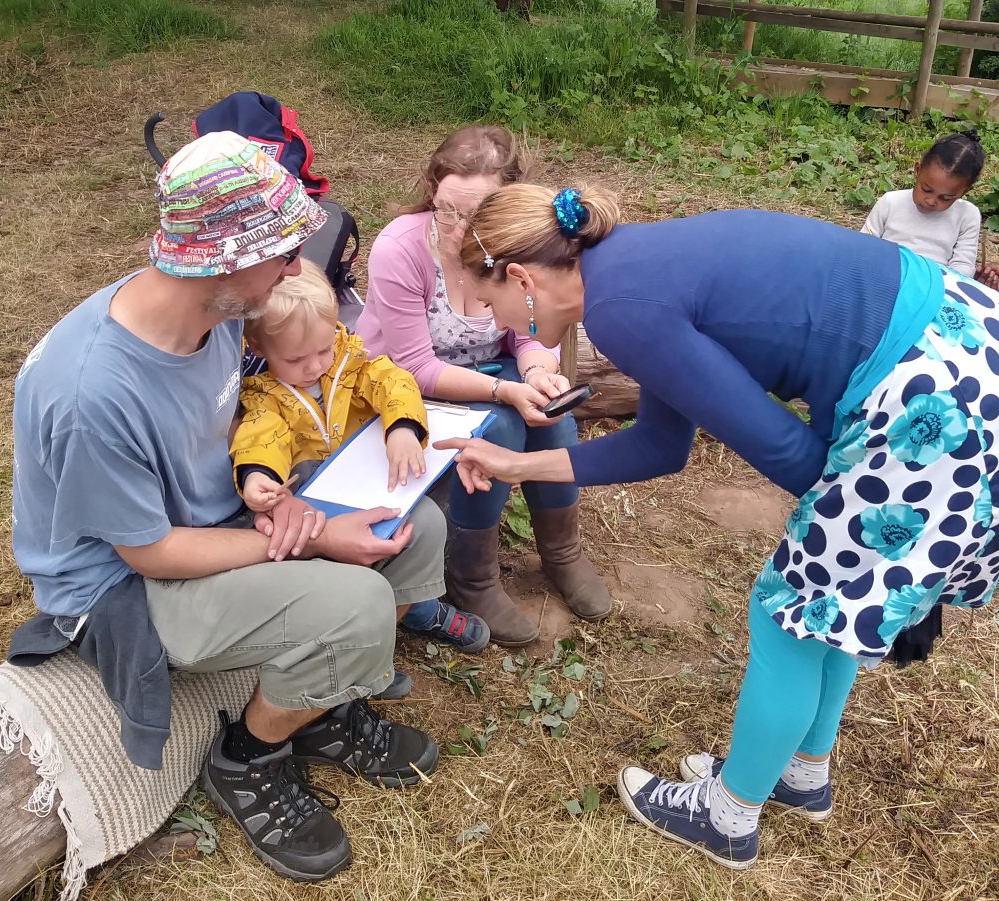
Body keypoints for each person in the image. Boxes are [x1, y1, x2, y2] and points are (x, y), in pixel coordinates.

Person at [437, 184, 999, 869]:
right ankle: (801, 771)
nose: (500, 325)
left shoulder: (620, 307)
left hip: (933, 396)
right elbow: (662, 446)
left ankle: (728, 816)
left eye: (493, 304)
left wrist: (868, 538)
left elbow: (789, 454)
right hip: (959, 341)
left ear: (522, 279)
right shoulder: (625, 264)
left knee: (791, 610)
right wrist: (517, 467)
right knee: (828, 594)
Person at [10, 131, 445, 883]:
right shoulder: (93, 393)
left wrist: (279, 496)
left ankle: (319, 704)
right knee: (358, 603)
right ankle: (247, 756)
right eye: (283, 254)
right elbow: (147, 552)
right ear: (228, 259)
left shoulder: (210, 312)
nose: (300, 269)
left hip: (217, 520)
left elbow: (251, 417)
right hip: (128, 583)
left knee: (416, 525)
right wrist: (305, 539)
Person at [356, 125, 610, 646]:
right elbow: (414, 367)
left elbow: (526, 329)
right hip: (403, 390)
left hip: (486, 374)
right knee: (503, 426)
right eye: (448, 208)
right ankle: (472, 578)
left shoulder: (513, 244)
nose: (458, 226)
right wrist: (506, 392)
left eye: (476, 214)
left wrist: (538, 370)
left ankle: (561, 553)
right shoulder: (399, 250)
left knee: (554, 417)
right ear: (432, 192)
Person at [232, 259, 490, 654]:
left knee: (412, 531)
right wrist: (256, 475)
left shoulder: (346, 361)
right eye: (296, 360)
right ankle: (361, 644)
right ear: (259, 347)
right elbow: (260, 436)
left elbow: (393, 382)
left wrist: (402, 426)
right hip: (319, 502)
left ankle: (417, 607)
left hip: (370, 480)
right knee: (342, 573)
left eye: (321, 350)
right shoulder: (265, 395)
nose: (314, 366)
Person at [862, 129, 998, 287]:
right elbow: (865, 244)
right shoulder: (890, 201)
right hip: (885, 277)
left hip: (934, 288)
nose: (931, 201)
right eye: (926, 189)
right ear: (918, 171)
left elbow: (963, 266)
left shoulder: (967, 215)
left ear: (964, 191)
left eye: (946, 198)